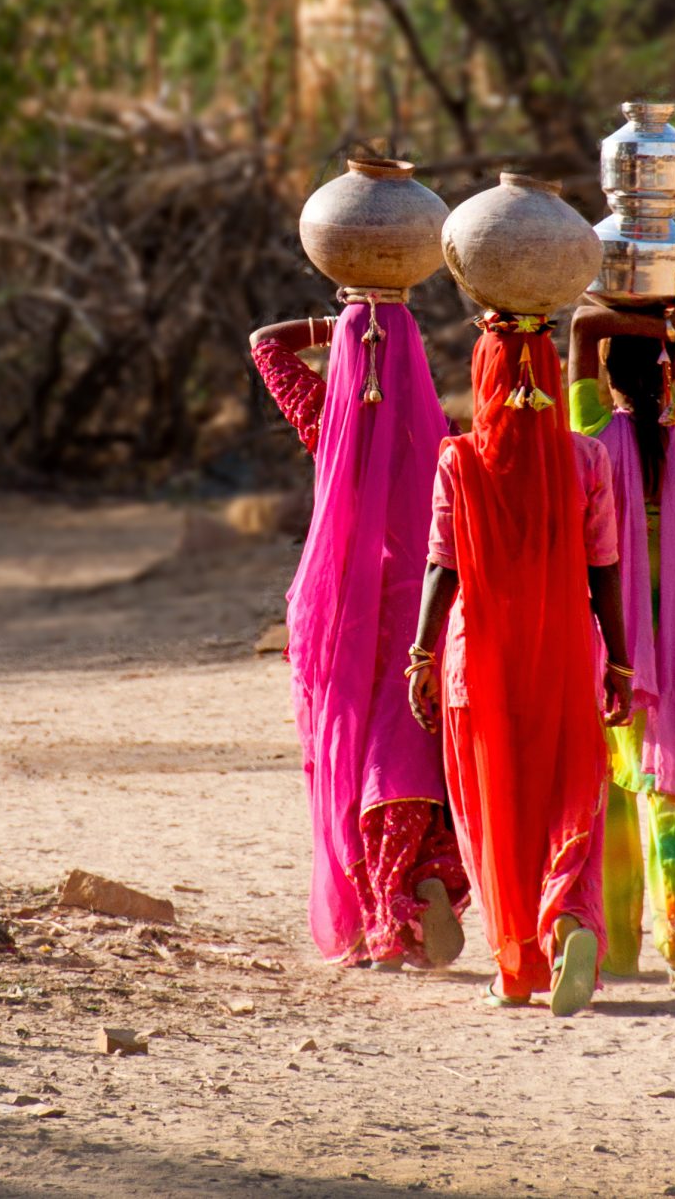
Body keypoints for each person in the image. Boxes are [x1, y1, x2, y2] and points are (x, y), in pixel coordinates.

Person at [407, 313, 633, 1016]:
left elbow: (440, 566)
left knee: (495, 803)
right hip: (565, 653)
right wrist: (619, 665)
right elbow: (606, 571)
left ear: (484, 377)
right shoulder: (587, 461)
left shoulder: (459, 459)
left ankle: (514, 968)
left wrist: (420, 652)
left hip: (481, 663)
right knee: (568, 792)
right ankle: (567, 921)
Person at [250, 299, 471, 970]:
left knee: (351, 758)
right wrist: (391, 319)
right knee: (414, 750)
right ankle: (425, 872)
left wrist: (346, 323)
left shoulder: (330, 421)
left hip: (344, 615)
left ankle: (381, 909)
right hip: (423, 608)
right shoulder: (449, 436)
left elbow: (266, 342)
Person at [564, 269, 675, 989]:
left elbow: (579, 326)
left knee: (612, 801)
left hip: (614, 652)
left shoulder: (590, 440)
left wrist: (667, 327)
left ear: (608, 378)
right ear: (671, 381)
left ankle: (616, 951)